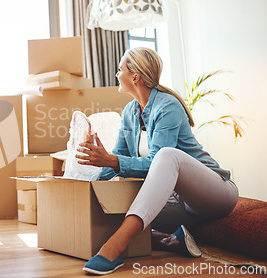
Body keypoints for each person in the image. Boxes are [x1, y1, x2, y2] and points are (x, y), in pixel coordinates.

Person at [76, 47, 238, 275]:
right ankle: (168, 240)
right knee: (114, 204)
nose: (116, 74)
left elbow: (153, 162)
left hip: (215, 194)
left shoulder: (167, 106)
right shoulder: (129, 112)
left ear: (135, 76)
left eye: (119, 69)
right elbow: (116, 160)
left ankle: (114, 247)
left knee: (166, 155)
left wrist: (112, 161)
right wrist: (88, 177)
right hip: (177, 204)